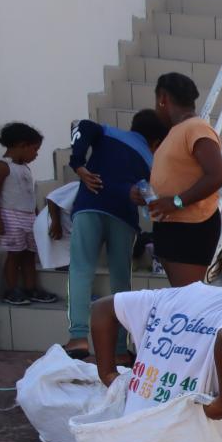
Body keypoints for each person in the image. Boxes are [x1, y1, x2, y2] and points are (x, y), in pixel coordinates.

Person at [91, 230, 222, 419]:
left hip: (133, 423)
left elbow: (102, 309)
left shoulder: (169, 296)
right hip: (181, 432)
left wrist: (109, 374)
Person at [63, 109, 169, 361]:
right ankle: (120, 350)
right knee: (121, 282)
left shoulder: (108, 132)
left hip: (89, 207)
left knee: (80, 269)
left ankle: (78, 337)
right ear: (156, 143)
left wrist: (78, 163)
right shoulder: (151, 161)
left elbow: (83, 125)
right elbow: (148, 198)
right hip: (123, 218)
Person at [131, 71, 222, 287]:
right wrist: (146, 196)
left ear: (163, 99)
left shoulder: (196, 127)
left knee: (189, 299)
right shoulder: (176, 131)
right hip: (172, 227)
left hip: (191, 228)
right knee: (182, 296)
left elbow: (218, 175)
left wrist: (176, 202)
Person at [0, 122, 56, 306]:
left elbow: (29, 195)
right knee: (14, 254)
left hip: (28, 218)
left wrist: (36, 218)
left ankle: (30, 288)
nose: (36, 154)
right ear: (21, 145)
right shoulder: (3, 167)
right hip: (11, 218)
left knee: (29, 255)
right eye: (34, 149)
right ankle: (11, 290)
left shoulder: (25, 168)